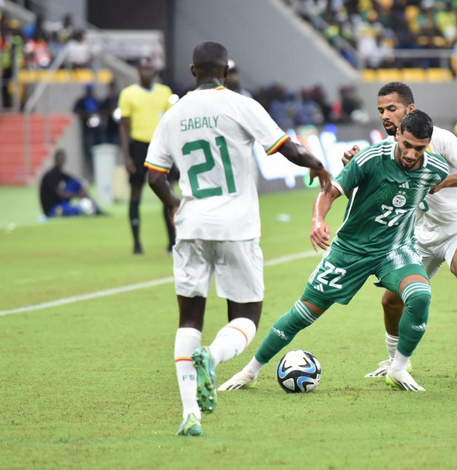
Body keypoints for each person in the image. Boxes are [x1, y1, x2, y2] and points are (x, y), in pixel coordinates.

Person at [144, 41, 331, 437]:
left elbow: (155, 177)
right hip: (237, 228)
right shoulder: (241, 104)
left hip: (192, 225)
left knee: (189, 317)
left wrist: (176, 206)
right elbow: (287, 149)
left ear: (193, 71)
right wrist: (317, 164)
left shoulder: (172, 115)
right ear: (225, 71)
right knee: (245, 317)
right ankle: (211, 358)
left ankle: (189, 411)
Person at [219, 110, 449, 397]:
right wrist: (318, 220)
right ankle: (250, 371)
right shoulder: (370, 159)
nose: (412, 154)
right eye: (407, 145)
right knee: (302, 314)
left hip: (394, 249)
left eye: (420, 148)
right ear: (398, 134)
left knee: (420, 295)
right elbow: (329, 192)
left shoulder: (435, 169)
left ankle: (398, 368)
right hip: (350, 251)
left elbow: (438, 189)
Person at [344, 82, 457, 386]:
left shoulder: (439, 139)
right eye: (381, 110)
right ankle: (396, 363)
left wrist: (442, 182)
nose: (385, 116)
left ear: (409, 109)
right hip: (419, 235)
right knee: (390, 301)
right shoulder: (388, 149)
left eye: (392, 108)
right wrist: (354, 170)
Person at [119, 57, 177, 255]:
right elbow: (124, 127)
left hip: (162, 146)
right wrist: (126, 155)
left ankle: (172, 241)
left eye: (150, 69)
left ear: (155, 71)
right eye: (143, 68)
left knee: (167, 191)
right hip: (139, 146)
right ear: (138, 71)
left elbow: (172, 123)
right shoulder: (128, 94)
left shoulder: (165, 92)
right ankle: (136, 243)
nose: (147, 72)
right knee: (136, 193)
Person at [39, 149, 103, 217]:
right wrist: (77, 195)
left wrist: (83, 185)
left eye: (63, 159)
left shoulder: (60, 173)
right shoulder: (50, 175)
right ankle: (86, 208)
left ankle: (95, 207)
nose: (62, 161)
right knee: (76, 210)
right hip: (52, 209)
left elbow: (75, 180)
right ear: (55, 160)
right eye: (60, 159)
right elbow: (60, 194)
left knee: (75, 182)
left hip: (61, 203)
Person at [73, 83, 103, 173]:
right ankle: (90, 171)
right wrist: (86, 114)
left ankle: (98, 170)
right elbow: (75, 110)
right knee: (88, 152)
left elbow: (101, 111)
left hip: (97, 131)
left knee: (99, 150)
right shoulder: (82, 101)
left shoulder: (96, 100)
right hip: (87, 130)